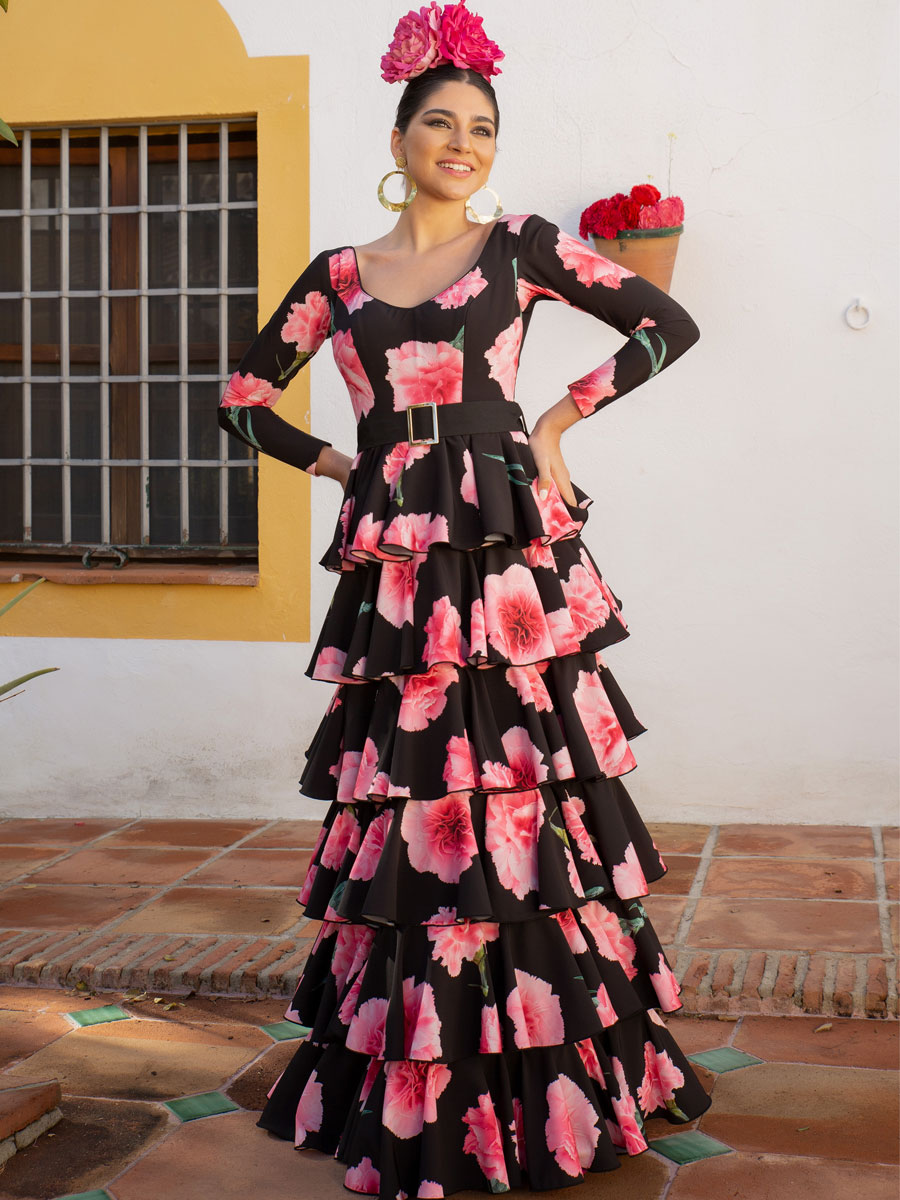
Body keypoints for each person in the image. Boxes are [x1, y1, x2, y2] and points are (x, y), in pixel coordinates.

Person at [217, 3, 711, 1194]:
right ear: (398, 140)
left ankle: (554, 1073)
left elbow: (668, 324)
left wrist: (555, 418)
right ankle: (412, 1065)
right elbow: (242, 395)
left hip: (501, 538)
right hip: (398, 553)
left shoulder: (526, 246)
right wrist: (340, 464)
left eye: (480, 127)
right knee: (414, 788)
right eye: (438, 122)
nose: (461, 142)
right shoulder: (340, 274)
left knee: (526, 780)